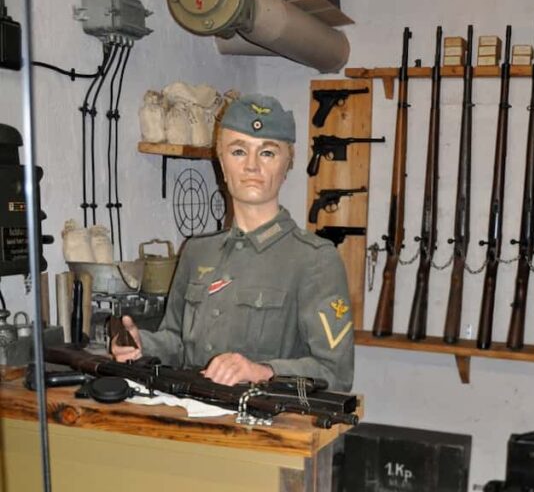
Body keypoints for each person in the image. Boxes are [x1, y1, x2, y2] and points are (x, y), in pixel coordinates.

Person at [111, 93, 354, 391]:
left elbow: (335, 374)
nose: (252, 166)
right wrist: (141, 344)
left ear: (287, 163)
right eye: (238, 151)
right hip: (190, 421)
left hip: (269, 430)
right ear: (222, 164)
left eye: (267, 153)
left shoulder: (315, 260)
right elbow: (176, 340)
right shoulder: (197, 252)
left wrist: (262, 371)